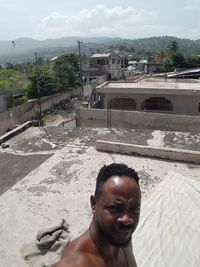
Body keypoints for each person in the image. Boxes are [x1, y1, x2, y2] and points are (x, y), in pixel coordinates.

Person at [53, 163, 141, 267]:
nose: (127, 219)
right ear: (94, 204)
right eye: (115, 208)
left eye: (134, 209)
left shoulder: (120, 239)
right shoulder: (74, 263)